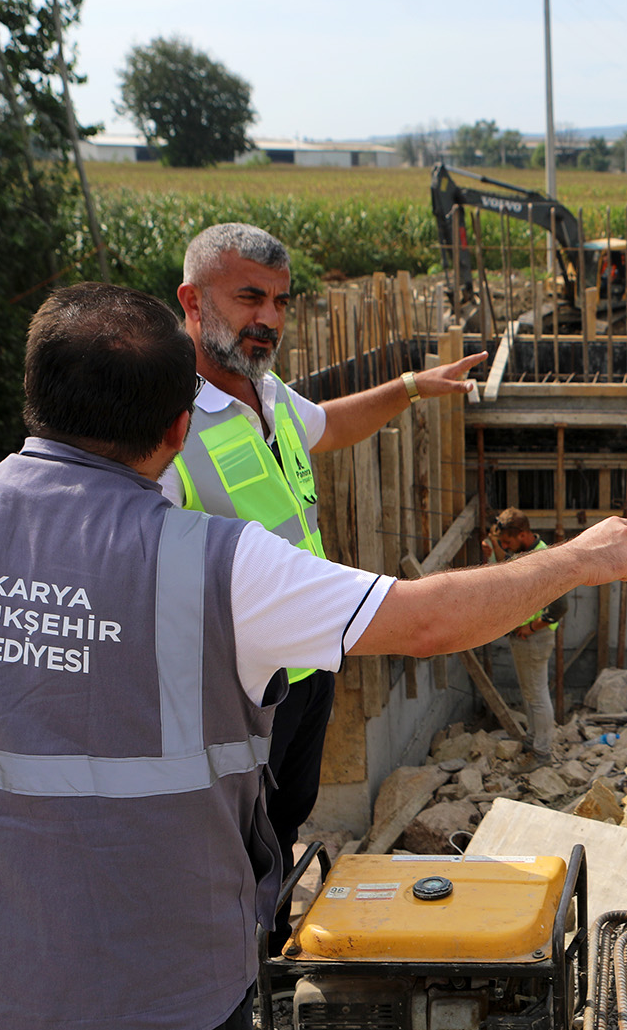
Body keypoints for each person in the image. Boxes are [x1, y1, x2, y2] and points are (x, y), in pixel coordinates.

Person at [0, 282, 627, 1030]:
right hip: (163, 980)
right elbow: (428, 619)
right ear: (182, 426)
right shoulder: (218, 564)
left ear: (34, 392)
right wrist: (576, 558)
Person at [165, 223, 485, 937]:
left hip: (307, 668)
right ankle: (231, 968)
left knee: (284, 816)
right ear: (192, 301)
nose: (269, 318)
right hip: (236, 686)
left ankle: (268, 943)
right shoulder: (169, 423)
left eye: (280, 301)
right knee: (233, 839)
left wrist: (409, 388)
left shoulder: (267, 395)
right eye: (250, 297)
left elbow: (329, 427)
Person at [484, 507, 564, 760]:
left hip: (533, 638)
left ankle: (541, 751)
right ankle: (533, 739)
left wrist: (530, 628)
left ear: (522, 534)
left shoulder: (543, 560)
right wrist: (492, 555)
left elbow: (560, 607)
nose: (505, 547)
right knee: (530, 693)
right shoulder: (523, 554)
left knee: (537, 695)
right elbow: (507, 578)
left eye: (507, 542)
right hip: (525, 637)